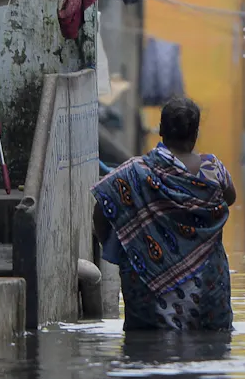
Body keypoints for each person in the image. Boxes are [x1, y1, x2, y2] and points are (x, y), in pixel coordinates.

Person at [91, 97, 237, 331]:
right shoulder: (212, 168)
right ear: (196, 132)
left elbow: (101, 210)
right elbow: (229, 199)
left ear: (160, 130)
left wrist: (127, 244)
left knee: (146, 349)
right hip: (206, 283)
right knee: (209, 347)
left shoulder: (134, 172)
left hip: (148, 283)